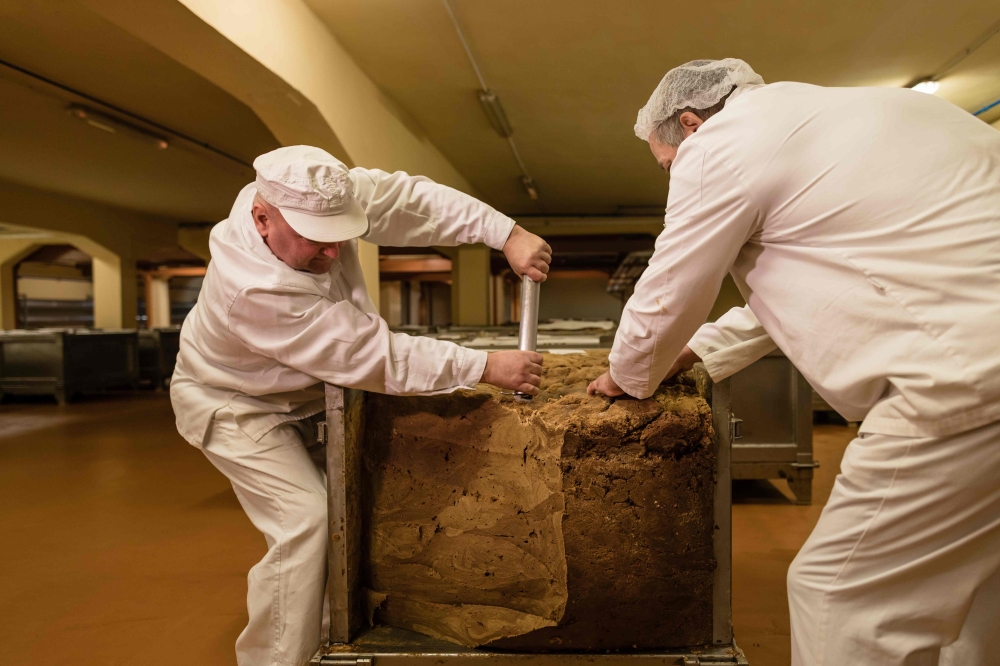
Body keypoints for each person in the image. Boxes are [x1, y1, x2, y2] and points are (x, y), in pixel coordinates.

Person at [587, 59, 1000, 665]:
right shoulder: (904, 114)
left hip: (962, 385)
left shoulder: (720, 144)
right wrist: (697, 350)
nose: (675, 176)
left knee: (841, 598)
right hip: (976, 359)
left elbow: (670, 285)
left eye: (668, 165)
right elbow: (837, 274)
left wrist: (628, 375)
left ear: (691, 123)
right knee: (977, 598)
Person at [170, 145, 551, 666]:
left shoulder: (312, 192)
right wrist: (485, 366)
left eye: (338, 239)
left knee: (347, 514)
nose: (332, 255)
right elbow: (372, 354)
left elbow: (410, 201)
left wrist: (506, 233)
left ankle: (328, 634)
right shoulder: (255, 288)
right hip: (238, 402)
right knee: (304, 519)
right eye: (315, 242)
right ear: (262, 219)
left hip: (316, 388)